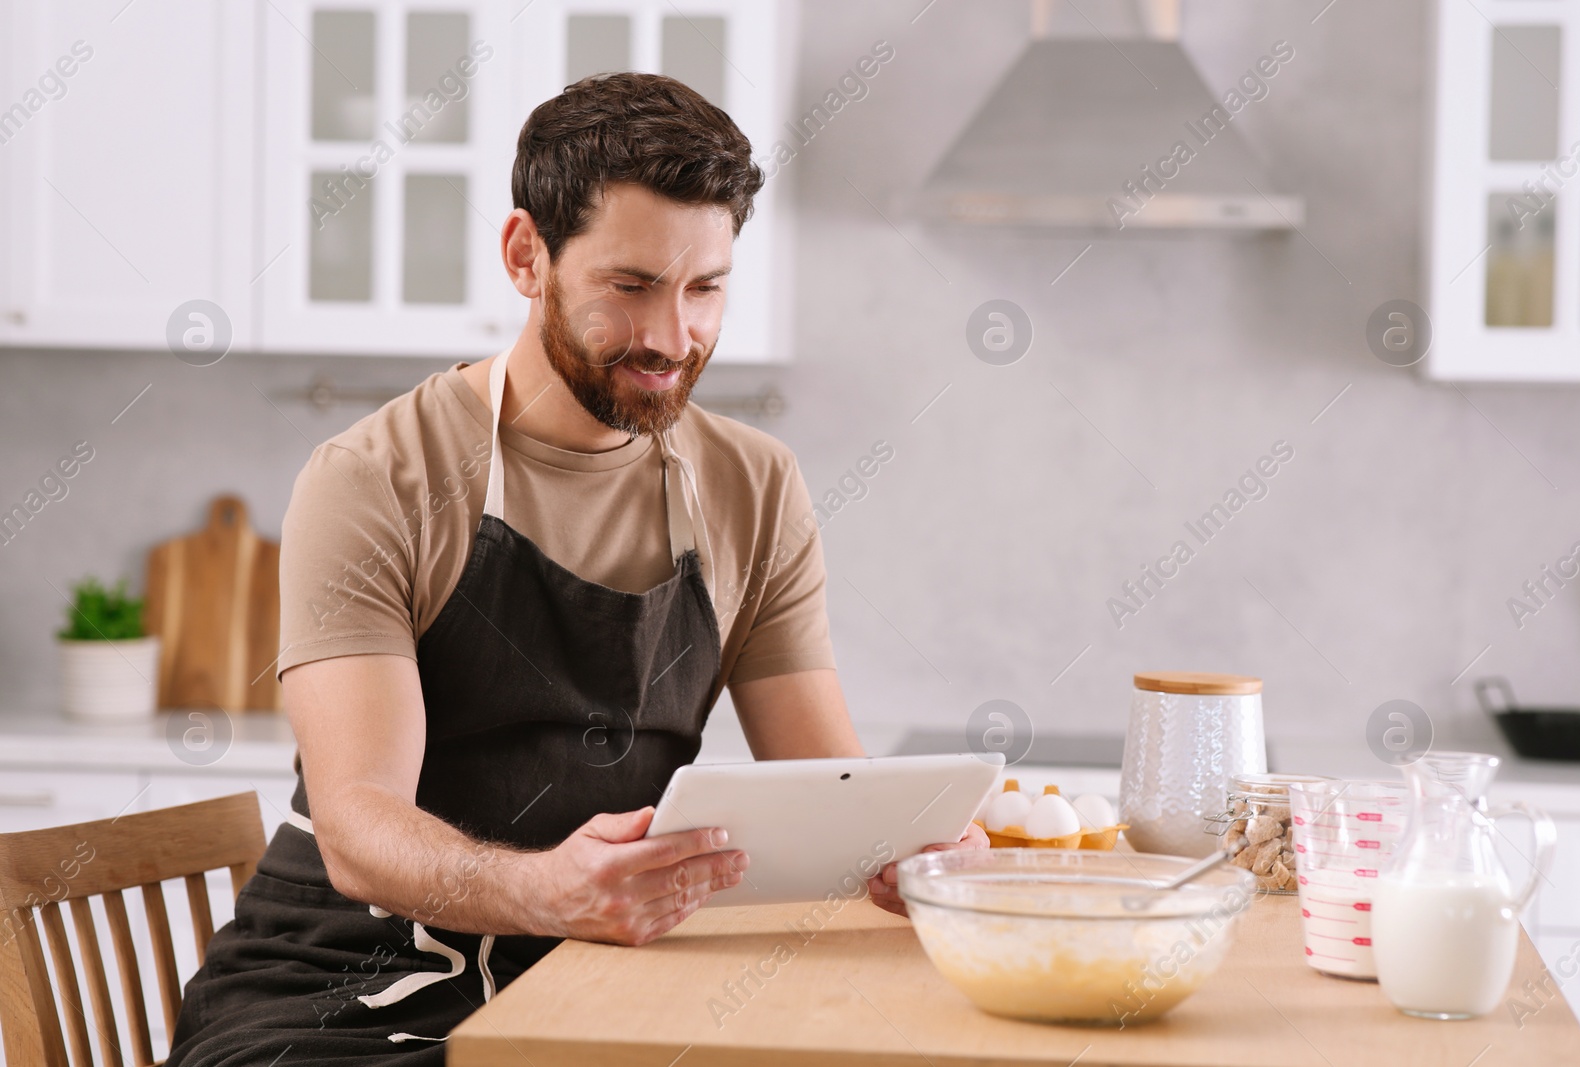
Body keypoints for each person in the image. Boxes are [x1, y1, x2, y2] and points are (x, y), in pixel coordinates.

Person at [167, 72, 983, 1066]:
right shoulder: (377, 477)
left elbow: (829, 783)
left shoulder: (753, 486)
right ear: (526, 255)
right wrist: (550, 888)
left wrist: (907, 850)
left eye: (705, 287)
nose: (672, 338)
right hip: (335, 993)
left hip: (588, 979)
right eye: (629, 286)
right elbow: (357, 825)